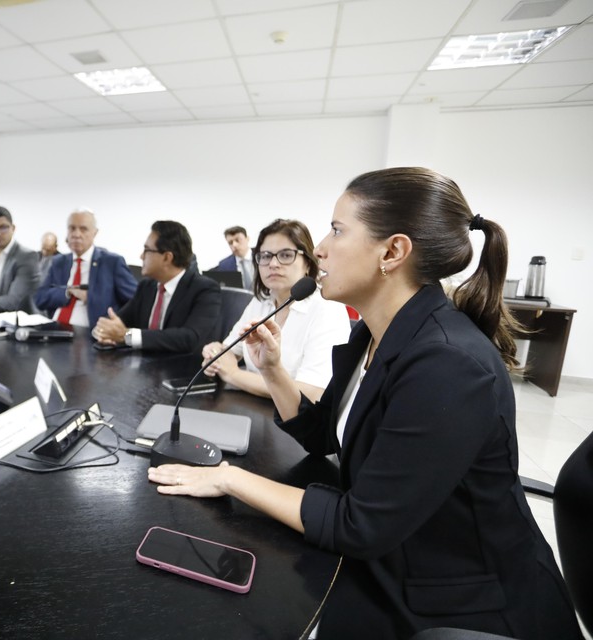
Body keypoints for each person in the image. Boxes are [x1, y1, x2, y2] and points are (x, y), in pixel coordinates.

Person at [148, 168, 582, 640]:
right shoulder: (373, 334)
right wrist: (272, 370)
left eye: (336, 230)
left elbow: (361, 525)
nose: (320, 248)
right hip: (401, 552)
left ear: (392, 252)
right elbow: (321, 434)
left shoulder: (446, 364)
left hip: (460, 601)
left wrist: (230, 477)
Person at [200, 219, 350, 402]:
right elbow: (231, 350)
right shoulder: (261, 302)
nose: (273, 264)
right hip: (253, 408)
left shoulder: (328, 309)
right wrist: (216, 353)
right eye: (265, 256)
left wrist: (233, 375)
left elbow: (312, 392)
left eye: (286, 255)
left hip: (300, 423)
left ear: (308, 264)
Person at [93, 220, 219, 353]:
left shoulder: (205, 289)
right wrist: (104, 331)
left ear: (167, 257)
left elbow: (189, 338)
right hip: (144, 366)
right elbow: (119, 320)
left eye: (147, 250)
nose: (141, 256)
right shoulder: (147, 286)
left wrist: (126, 336)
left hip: (182, 368)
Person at [35, 209, 136, 329]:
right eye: (72, 228)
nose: (76, 234)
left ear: (95, 232)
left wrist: (91, 298)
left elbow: (136, 301)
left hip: (90, 333)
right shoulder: (59, 262)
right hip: (55, 330)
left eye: (83, 229)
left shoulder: (111, 262)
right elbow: (40, 299)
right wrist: (68, 292)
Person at [212, 225, 254, 289]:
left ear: (247, 239)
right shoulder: (224, 265)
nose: (234, 245)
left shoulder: (263, 256)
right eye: (230, 243)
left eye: (238, 240)